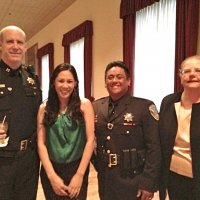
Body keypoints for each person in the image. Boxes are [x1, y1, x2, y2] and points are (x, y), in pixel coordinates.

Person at [92, 61, 161, 200]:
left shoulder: (144, 107)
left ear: (128, 81)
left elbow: (154, 147)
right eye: (110, 77)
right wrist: (98, 164)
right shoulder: (96, 107)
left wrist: (148, 183)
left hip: (133, 178)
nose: (114, 80)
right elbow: (89, 140)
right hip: (106, 178)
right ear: (105, 82)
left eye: (119, 77)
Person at [37, 63, 95, 200]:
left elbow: (90, 140)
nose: (65, 86)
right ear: (53, 83)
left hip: (77, 168)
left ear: (75, 83)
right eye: (61, 81)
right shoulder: (44, 108)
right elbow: (41, 143)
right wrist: (52, 176)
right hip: (51, 169)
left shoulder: (84, 105)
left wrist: (80, 174)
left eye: (69, 81)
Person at [0, 25, 42, 200]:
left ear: (25, 47)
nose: (16, 46)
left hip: (29, 159)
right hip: (2, 159)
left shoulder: (32, 78)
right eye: (10, 41)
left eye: (20, 42)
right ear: (0, 45)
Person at [159, 55, 200, 200]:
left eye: (198, 70)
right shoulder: (168, 102)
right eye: (187, 71)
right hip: (174, 176)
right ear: (180, 75)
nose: (192, 74)